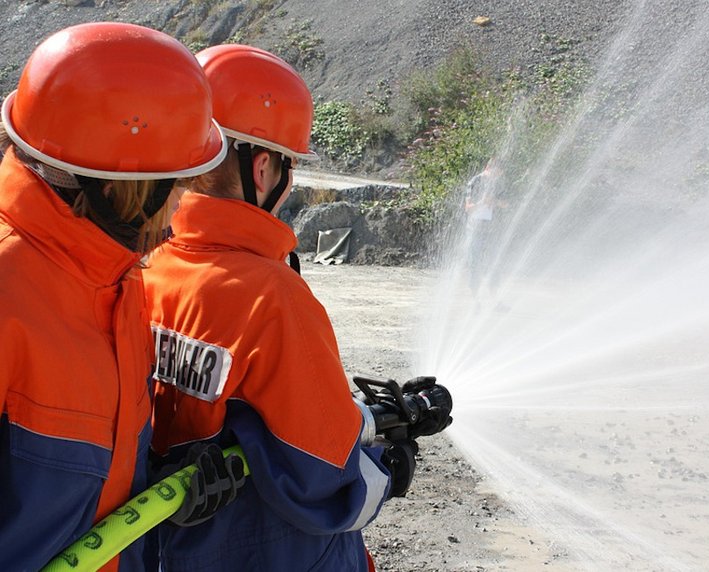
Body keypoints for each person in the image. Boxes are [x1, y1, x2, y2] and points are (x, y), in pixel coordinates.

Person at [143, 44, 412, 571]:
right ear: (262, 167)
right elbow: (323, 476)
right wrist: (390, 468)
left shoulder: (146, 263)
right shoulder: (273, 297)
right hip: (271, 551)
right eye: (288, 165)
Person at [0, 22, 240, 570]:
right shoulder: (8, 292)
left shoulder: (118, 277)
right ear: (119, 184)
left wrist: (161, 488)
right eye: (178, 183)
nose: (184, 201)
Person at [464, 158, 506, 297]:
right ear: (488, 168)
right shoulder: (475, 182)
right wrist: (481, 203)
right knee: (474, 263)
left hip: (492, 230)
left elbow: (506, 204)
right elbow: (468, 209)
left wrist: (494, 201)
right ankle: (474, 300)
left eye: (498, 175)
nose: (496, 177)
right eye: (495, 173)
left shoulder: (497, 184)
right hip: (475, 230)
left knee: (495, 263)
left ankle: (494, 299)